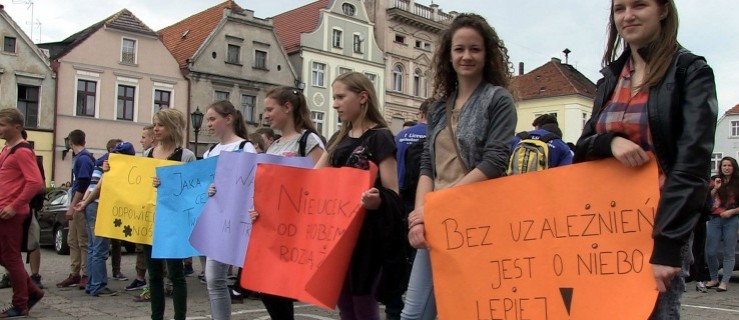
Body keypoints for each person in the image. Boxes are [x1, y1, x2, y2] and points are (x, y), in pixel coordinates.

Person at [574, 0, 717, 317]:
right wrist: (609, 142)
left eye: (639, 5)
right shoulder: (610, 78)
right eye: (619, 8)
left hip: (660, 229)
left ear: (663, 10)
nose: (628, 16)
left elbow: (692, 164)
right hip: (606, 229)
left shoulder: (690, 71)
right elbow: (581, 148)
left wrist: (667, 246)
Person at [402, 13, 517, 319]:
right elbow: (428, 163)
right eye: (459, 49)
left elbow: (494, 161)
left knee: (468, 310)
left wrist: (436, 207)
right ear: (448, 55)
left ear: (487, 53)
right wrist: (419, 218)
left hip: (477, 218)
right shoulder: (440, 105)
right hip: (436, 218)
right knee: (414, 313)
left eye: (475, 49)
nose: (467, 56)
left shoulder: (498, 99)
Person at [313, 72, 407, 320]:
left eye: (341, 97)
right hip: (336, 233)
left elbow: (393, 193)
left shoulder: (380, 137)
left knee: (362, 301)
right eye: (334, 97)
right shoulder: (338, 137)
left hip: (367, 236)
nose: (334, 104)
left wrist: (377, 201)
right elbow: (314, 179)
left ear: (363, 97)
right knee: (344, 302)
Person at [251, 86, 325, 319]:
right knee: (267, 286)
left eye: (269, 109)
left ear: (287, 107)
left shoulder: (308, 139)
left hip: (293, 227)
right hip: (271, 227)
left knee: (277, 287)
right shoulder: (274, 144)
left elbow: (321, 180)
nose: (265, 115)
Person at [201, 100, 256, 320]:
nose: (209, 124)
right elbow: (201, 182)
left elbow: (250, 185)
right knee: (212, 280)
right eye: (208, 120)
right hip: (210, 220)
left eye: (213, 119)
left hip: (230, 221)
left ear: (228, 119)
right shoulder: (210, 151)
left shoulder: (245, 148)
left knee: (215, 278)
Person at [146, 109, 196, 320]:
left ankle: (179, 318)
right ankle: (156, 316)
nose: (155, 129)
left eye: (160, 125)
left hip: (174, 222)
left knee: (176, 274)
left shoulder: (186, 156)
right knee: (154, 275)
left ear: (172, 127)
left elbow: (194, 189)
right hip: (150, 221)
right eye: (155, 124)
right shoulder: (148, 154)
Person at [72, 141, 136, 297]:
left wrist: (84, 202)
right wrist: (85, 202)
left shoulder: (102, 161)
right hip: (99, 206)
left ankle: (91, 284)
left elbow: (91, 185)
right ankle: (98, 285)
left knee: (93, 247)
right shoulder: (113, 165)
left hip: (91, 206)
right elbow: (99, 188)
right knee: (100, 248)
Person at [0, 108, 45, 318]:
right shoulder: (7, 149)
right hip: (4, 210)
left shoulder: (23, 151)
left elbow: (35, 182)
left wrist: (15, 205)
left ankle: (21, 303)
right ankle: (32, 292)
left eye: (2, 125)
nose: (0, 128)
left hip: (11, 213)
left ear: (16, 127)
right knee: (8, 257)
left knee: (11, 257)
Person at [387, 101, 429, 320]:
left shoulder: (401, 135)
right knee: (419, 249)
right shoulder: (436, 135)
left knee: (400, 251)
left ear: (420, 113)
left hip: (401, 197)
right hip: (423, 198)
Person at [56, 129, 94, 290]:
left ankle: (85, 274)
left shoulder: (83, 159)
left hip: (81, 204)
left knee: (82, 241)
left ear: (71, 143)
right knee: (72, 240)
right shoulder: (80, 158)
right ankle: (74, 273)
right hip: (77, 203)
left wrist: (73, 207)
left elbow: (83, 184)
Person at [127, 126, 156, 300]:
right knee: (143, 250)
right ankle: (144, 281)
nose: (141, 140)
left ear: (153, 138)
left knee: (159, 253)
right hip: (144, 212)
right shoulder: (145, 157)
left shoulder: (183, 155)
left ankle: (161, 286)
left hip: (159, 214)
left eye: (144, 137)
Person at [705, 158, 739, 292]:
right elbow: (707, 199)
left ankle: (724, 282)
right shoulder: (715, 180)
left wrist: (732, 212)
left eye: (729, 165)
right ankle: (714, 278)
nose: (727, 168)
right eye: (724, 165)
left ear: (734, 167)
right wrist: (715, 188)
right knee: (710, 251)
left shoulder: (737, 182)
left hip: (732, 219)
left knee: (728, 251)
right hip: (714, 219)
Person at [101, 139, 128, 282]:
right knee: (102, 242)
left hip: (117, 208)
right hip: (106, 207)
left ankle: (116, 270)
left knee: (117, 242)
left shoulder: (122, 164)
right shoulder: (103, 163)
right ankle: (99, 273)